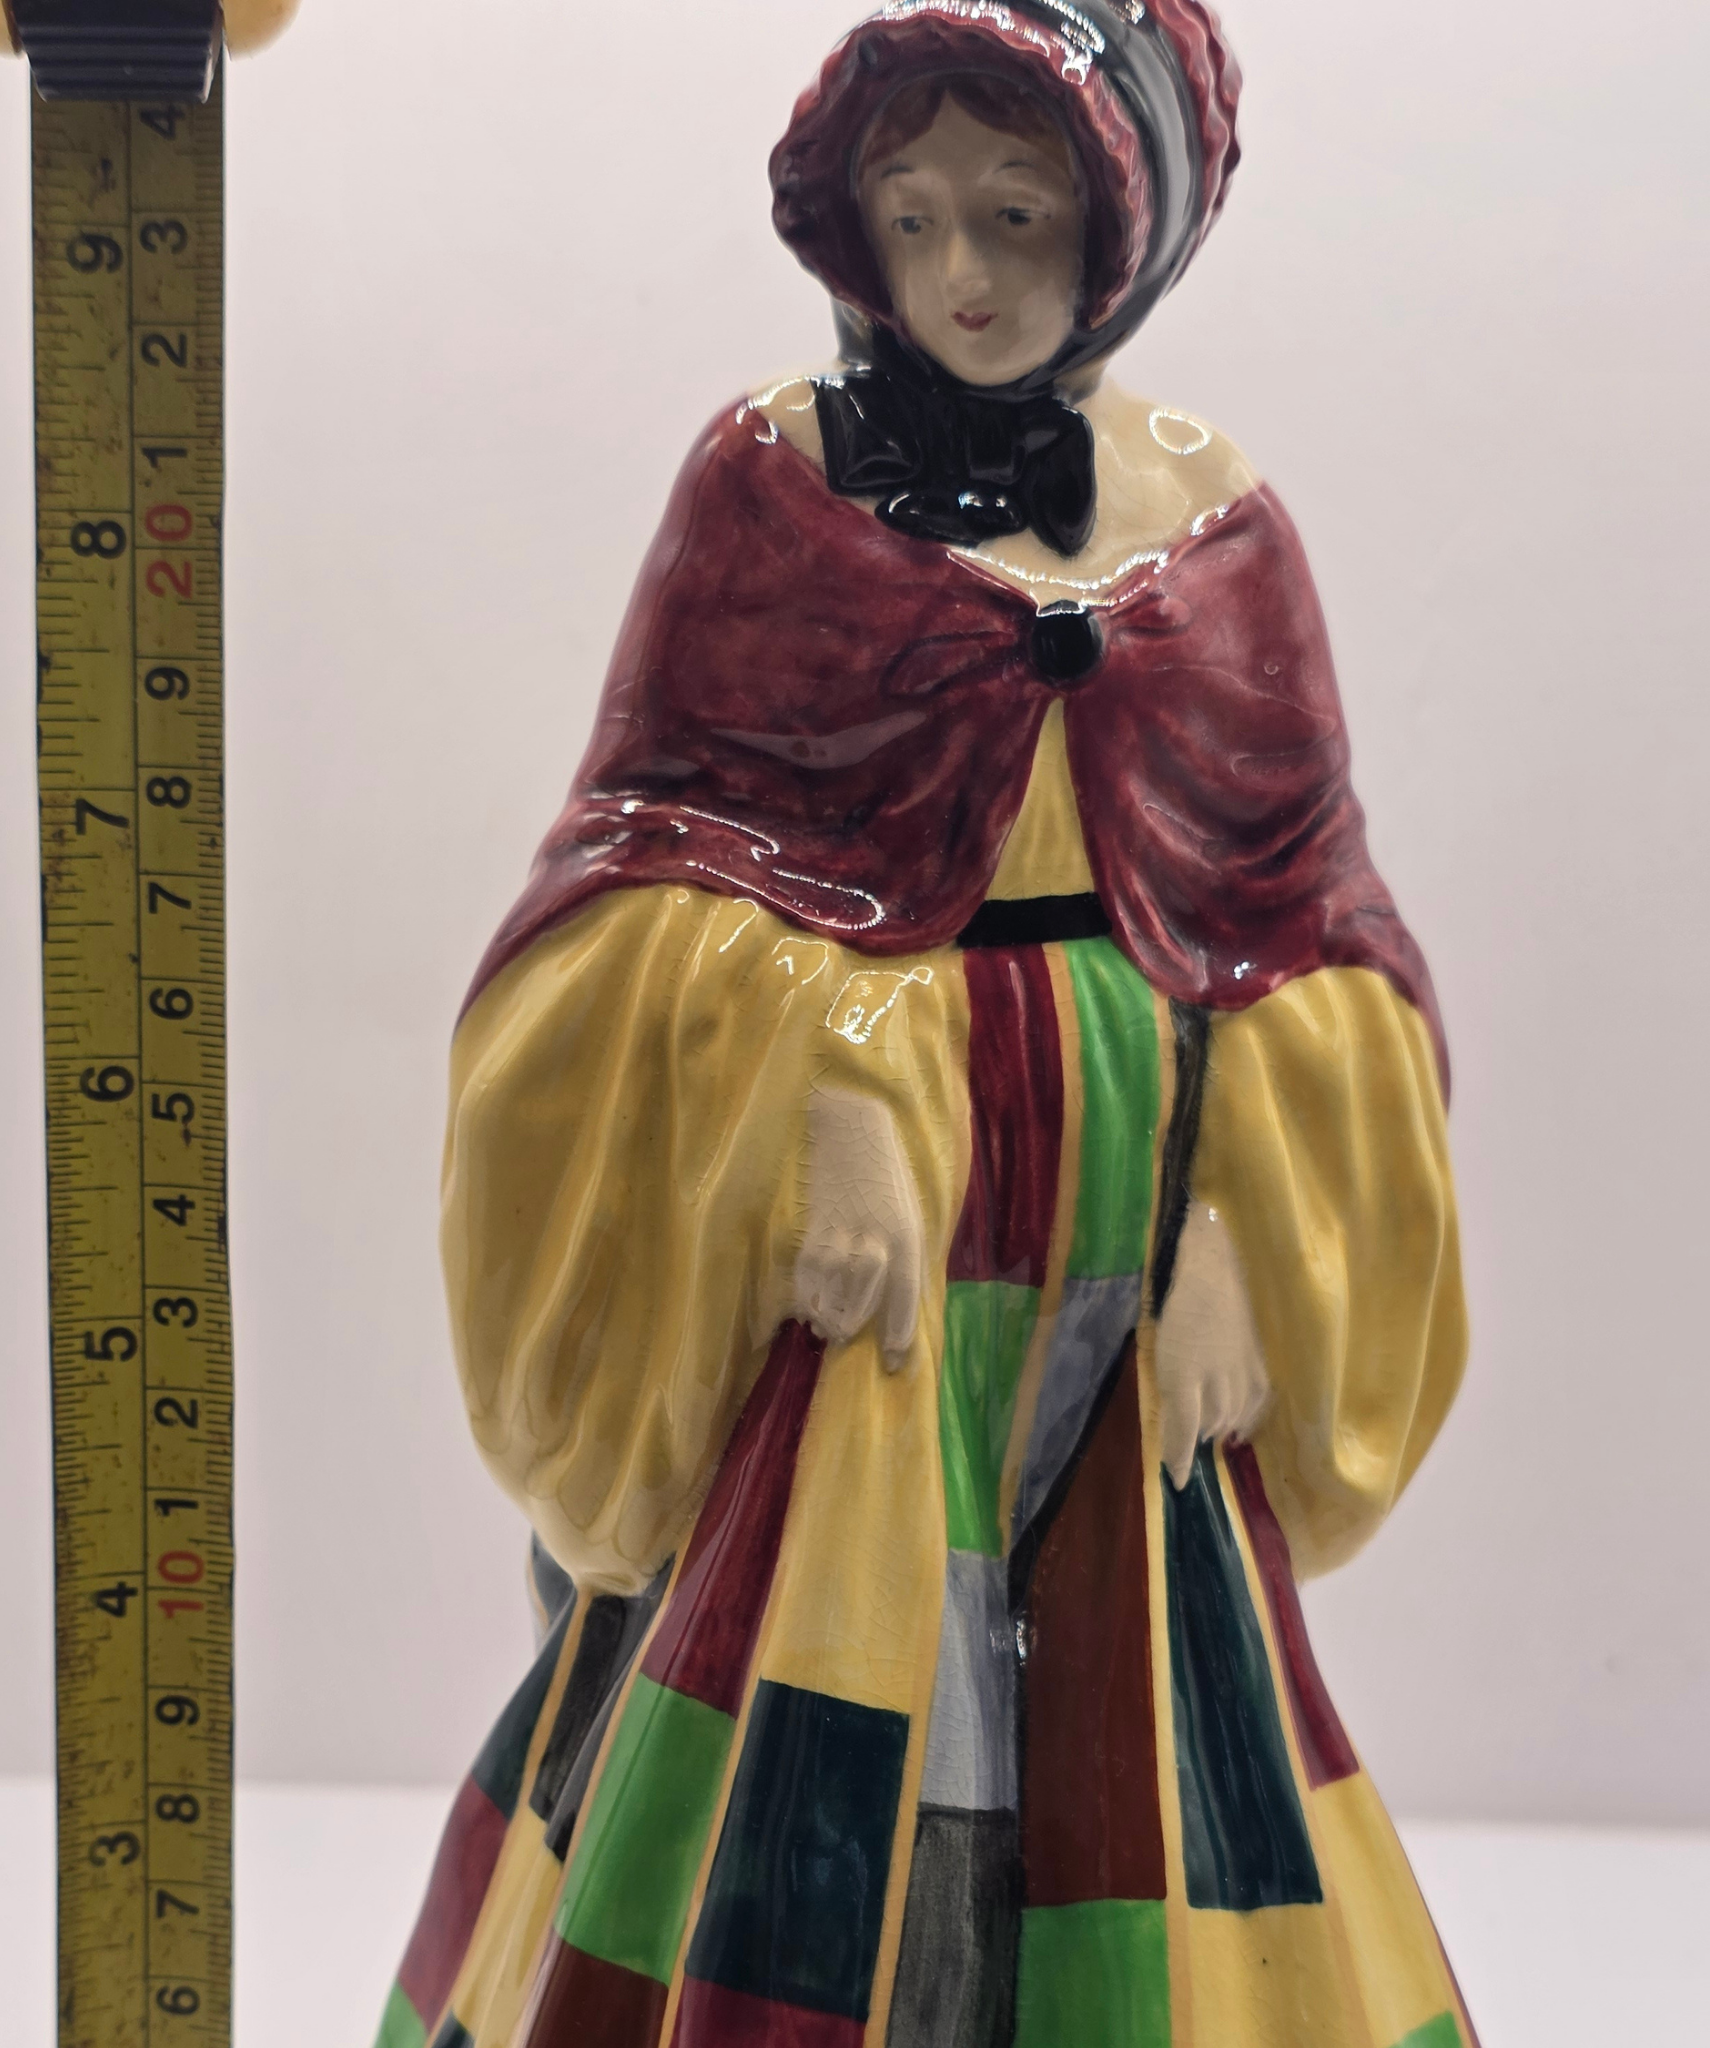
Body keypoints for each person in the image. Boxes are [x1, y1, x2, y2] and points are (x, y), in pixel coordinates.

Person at [376, 6, 1473, 2045]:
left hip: (1128, 1218)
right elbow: (636, 874)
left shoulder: (1212, 518)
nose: (959, 271)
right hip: (874, 1257)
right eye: (911, 215)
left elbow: (1301, 925)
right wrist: (811, 1091)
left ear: (1125, 230)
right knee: (831, 1668)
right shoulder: (772, 489)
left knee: (1139, 1698)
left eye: (1017, 215)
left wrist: (1244, 1221)